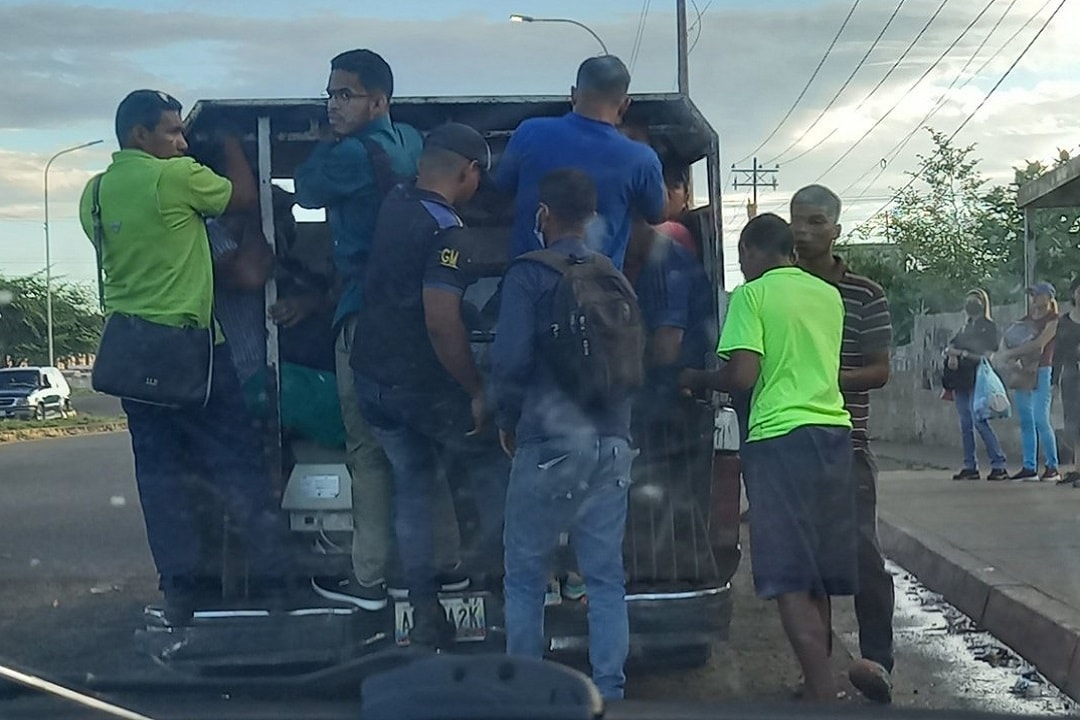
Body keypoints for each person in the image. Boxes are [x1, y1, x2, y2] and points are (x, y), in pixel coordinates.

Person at [78, 89, 292, 625]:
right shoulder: (175, 177)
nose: (182, 141)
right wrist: (228, 142)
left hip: (132, 357)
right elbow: (242, 197)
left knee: (159, 481)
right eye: (172, 132)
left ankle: (180, 592)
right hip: (194, 354)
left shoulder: (95, 192)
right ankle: (272, 586)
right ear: (139, 136)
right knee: (238, 467)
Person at [680, 213, 854, 703]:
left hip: (780, 440)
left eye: (741, 259)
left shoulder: (752, 296)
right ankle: (818, 680)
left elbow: (742, 376)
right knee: (816, 569)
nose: (742, 267)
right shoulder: (828, 295)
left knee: (787, 575)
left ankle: (823, 695)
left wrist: (695, 378)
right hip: (833, 434)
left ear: (753, 252)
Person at [352, 123, 508, 647]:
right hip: (419, 383)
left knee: (412, 486)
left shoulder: (394, 204)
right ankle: (503, 590)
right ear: (470, 172)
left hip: (373, 380)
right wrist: (476, 388)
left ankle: (422, 605)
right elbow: (442, 324)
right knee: (488, 465)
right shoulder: (445, 230)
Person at [493, 169, 636, 700]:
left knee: (526, 577)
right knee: (604, 580)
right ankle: (610, 693)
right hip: (613, 442)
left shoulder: (528, 275)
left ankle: (527, 694)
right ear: (593, 218)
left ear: (543, 214)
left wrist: (507, 420)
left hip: (549, 441)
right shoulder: (612, 273)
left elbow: (509, 360)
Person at [294, 49, 424, 610]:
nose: (332, 104)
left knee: (367, 449)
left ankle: (369, 579)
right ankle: (442, 566)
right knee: (420, 448)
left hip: (364, 315)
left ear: (378, 99)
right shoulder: (412, 142)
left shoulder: (347, 155)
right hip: (417, 316)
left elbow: (302, 190)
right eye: (329, 93)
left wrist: (321, 144)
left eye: (343, 94)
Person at [790, 184, 895, 703]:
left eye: (814, 222)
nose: (803, 231)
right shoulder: (776, 290)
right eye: (796, 221)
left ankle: (878, 662)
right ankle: (818, 674)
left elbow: (880, 370)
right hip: (791, 448)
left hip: (846, 445)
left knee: (864, 557)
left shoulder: (865, 295)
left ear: (836, 229)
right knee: (805, 568)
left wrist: (825, 378)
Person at [493, 55, 666, 269]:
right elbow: (657, 214)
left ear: (574, 94)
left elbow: (500, 192)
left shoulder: (528, 132)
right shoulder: (642, 158)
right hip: (597, 293)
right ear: (624, 104)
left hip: (528, 285)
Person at [996, 282, 1060, 482]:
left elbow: (1039, 343)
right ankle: (1029, 466)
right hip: (1022, 371)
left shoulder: (1054, 319)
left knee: (1041, 418)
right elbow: (1006, 339)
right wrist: (1004, 355)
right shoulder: (1024, 320)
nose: (1033, 298)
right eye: (1032, 294)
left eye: (1037, 294)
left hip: (1042, 369)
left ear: (1049, 298)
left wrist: (1009, 353)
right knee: (1026, 420)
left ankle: (1052, 466)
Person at [943, 290, 1008, 481]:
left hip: (978, 379)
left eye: (976, 299)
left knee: (979, 421)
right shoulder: (964, 327)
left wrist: (960, 354)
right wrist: (951, 354)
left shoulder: (989, 327)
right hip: (961, 380)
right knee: (965, 424)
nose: (971, 303)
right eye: (969, 298)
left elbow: (987, 356)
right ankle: (970, 466)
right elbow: (951, 347)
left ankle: (999, 463)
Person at [1054, 279, 1080, 486]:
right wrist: (1053, 380)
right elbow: (1058, 353)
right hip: (1071, 375)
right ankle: (1078, 469)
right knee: (1073, 424)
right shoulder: (1064, 321)